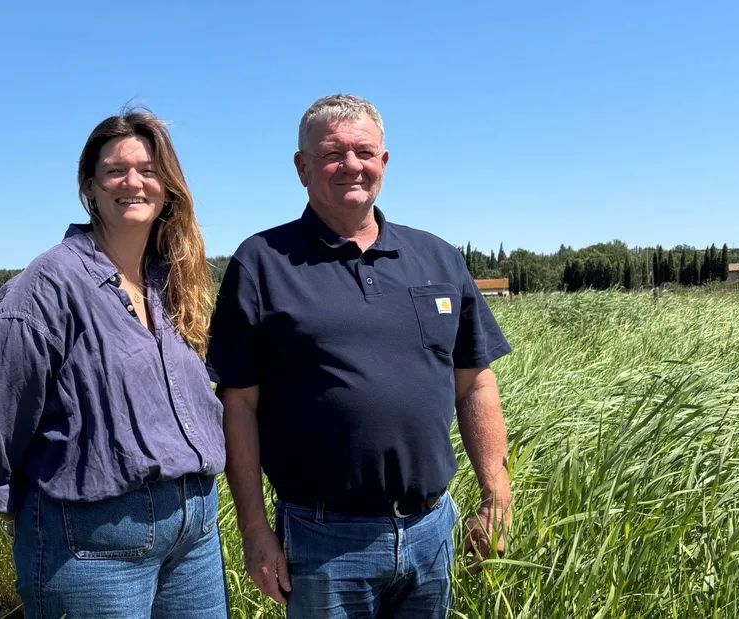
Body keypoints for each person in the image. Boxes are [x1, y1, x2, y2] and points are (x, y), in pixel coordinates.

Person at [207, 94, 514, 618]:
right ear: (302, 168)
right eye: (332, 154)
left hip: (430, 528)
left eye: (364, 152)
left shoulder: (436, 257)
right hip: (322, 538)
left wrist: (496, 494)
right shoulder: (262, 262)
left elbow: (475, 383)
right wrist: (255, 531)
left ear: (384, 162)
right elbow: (239, 404)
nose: (351, 165)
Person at [0, 109, 229, 619]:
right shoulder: (46, 287)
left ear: (167, 186)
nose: (133, 182)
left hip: (195, 532)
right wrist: (15, 506)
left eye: (148, 169)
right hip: (91, 540)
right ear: (90, 185)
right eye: (115, 170)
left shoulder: (173, 283)